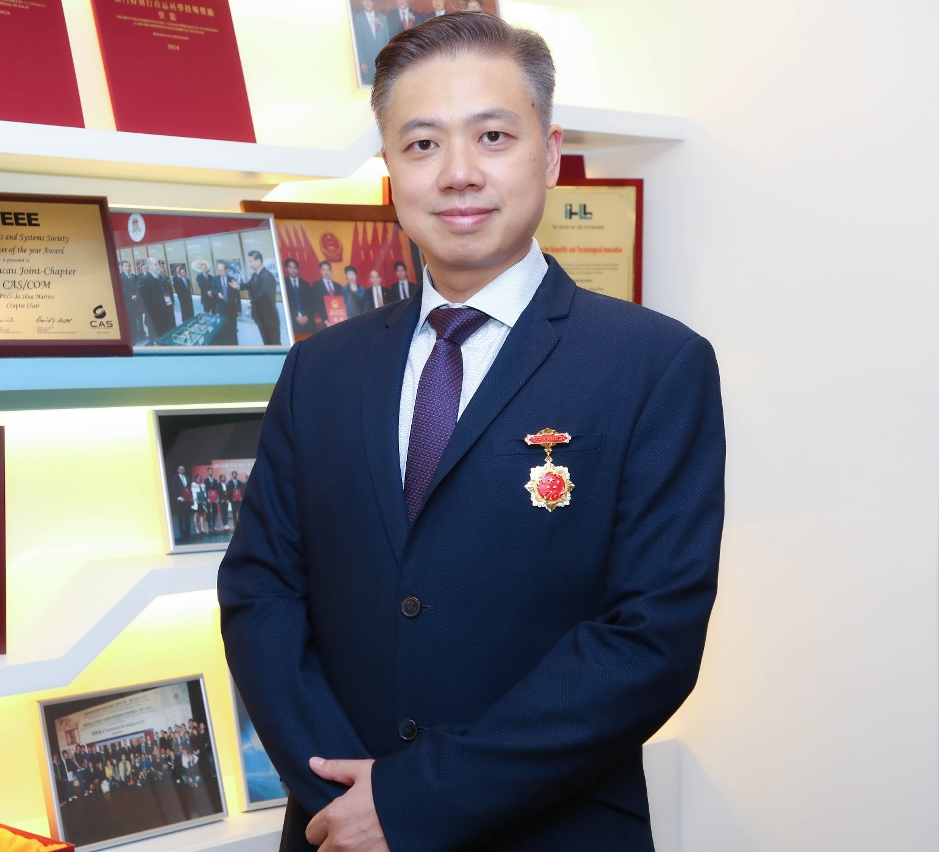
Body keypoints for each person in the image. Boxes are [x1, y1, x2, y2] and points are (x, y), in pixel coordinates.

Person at [219, 13, 724, 852]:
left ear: (548, 153)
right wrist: (339, 795)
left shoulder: (653, 363)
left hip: (552, 831)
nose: (457, 174)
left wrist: (411, 801)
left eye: (492, 136)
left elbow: (649, 639)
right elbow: (260, 593)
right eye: (421, 144)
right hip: (339, 829)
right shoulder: (320, 368)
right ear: (389, 170)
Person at [246, 250, 282, 345]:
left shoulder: (267, 275)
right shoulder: (255, 275)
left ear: (258, 261)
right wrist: (238, 286)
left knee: (274, 342)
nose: (250, 264)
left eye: (251, 261)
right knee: (266, 342)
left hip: (269, 317)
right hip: (259, 316)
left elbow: (264, 293)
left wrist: (252, 302)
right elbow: (249, 285)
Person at [137, 257, 176, 341]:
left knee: (168, 338)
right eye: (156, 264)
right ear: (148, 266)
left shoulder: (160, 278)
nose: (158, 266)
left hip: (167, 314)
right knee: (158, 341)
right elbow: (141, 299)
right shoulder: (144, 279)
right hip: (155, 319)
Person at [352, 0, 389, 85]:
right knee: (372, 84)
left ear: (374, 3)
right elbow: (358, 43)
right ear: (362, 3)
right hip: (368, 60)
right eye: (365, 1)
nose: (368, 3)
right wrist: (362, 62)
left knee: (384, 83)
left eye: (370, 1)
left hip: (382, 58)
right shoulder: (358, 19)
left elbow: (387, 39)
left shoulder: (382, 18)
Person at [283, 258, 314, 338]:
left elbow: (311, 303)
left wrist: (306, 316)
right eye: (290, 267)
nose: (293, 270)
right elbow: (284, 304)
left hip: (307, 322)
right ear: (286, 269)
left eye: (295, 267)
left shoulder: (306, 284)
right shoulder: (283, 284)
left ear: (298, 269)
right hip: (291, 322)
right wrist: (295, 316)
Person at [119, 258, 146, 343]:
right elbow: (122, 289)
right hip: (128, 302)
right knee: (132, 320)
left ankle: (142, 333)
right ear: (122, 267)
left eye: (129, 266)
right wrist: (131, 296)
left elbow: (138, 286)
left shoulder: (134, 276)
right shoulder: (120, 277)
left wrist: (136, 295)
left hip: (137, 301)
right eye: (126, 266)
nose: (128, 268)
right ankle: (133, 337)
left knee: (140, 318)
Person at [171, 465, 192, 541]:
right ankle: (182, 533)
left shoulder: (187, 478)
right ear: (178, 470)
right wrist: (179, 497)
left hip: (187, 500)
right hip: (180, 500)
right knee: (180, 517)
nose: (182, 470)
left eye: (183, 469)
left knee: (187, 517)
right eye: (180, 469)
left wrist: (190, 497)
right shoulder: (175, 478)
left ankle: (187, 532)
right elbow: (174, 489)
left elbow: (189, 488)